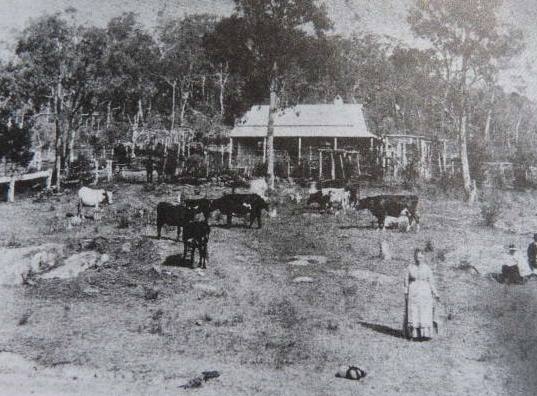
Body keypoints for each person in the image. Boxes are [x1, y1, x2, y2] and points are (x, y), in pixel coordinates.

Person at [403, 248, 440, 340]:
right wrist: (406, 292)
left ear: (423, 257)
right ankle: (414, 334)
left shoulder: (427, 268)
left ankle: (425, 334)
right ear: (414, 257)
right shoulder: (410, 268)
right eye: (417, 257)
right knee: (414, 312)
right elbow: (406, 281)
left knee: (424, 313)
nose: (419, 258)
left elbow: (431, 282)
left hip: (425, 293)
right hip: (413, 293)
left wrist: (435, 293)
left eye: (420, 257)